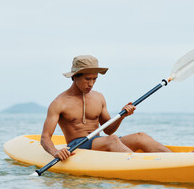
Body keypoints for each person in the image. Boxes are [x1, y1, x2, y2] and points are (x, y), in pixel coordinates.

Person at [41, 55, 171, 160]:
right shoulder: (60, 103)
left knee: (140, 136)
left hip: (102, 141)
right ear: (75, 76)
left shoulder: (99, 97)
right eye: (87, 79)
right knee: (113, 140)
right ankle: (141, 164)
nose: (91, 83)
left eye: (94, 79)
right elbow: (45, 138)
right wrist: (55, 152)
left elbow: (108, 130)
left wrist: (122, 116)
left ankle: (176, 159)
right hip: (78, 145)